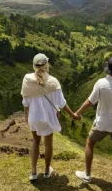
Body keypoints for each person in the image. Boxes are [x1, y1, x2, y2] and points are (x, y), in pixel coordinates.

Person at [74, 57, 112, 188]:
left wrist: (78, 112)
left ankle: (87, 175)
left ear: (108, 70)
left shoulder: (101, 83)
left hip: (103, 123)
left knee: (90, 143)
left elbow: (90, 101)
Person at [22, 53, 78, 181]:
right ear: (47, 65)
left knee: (35, 141)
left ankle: (34, 172)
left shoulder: (27, 79)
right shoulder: (53, 82)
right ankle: (47, 170)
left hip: (34, 117)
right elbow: (62, 103)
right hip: (48, 118)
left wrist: (26, 115)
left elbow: (25, 101)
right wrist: (73, 115)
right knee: (48, 144)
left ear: (33, 65)